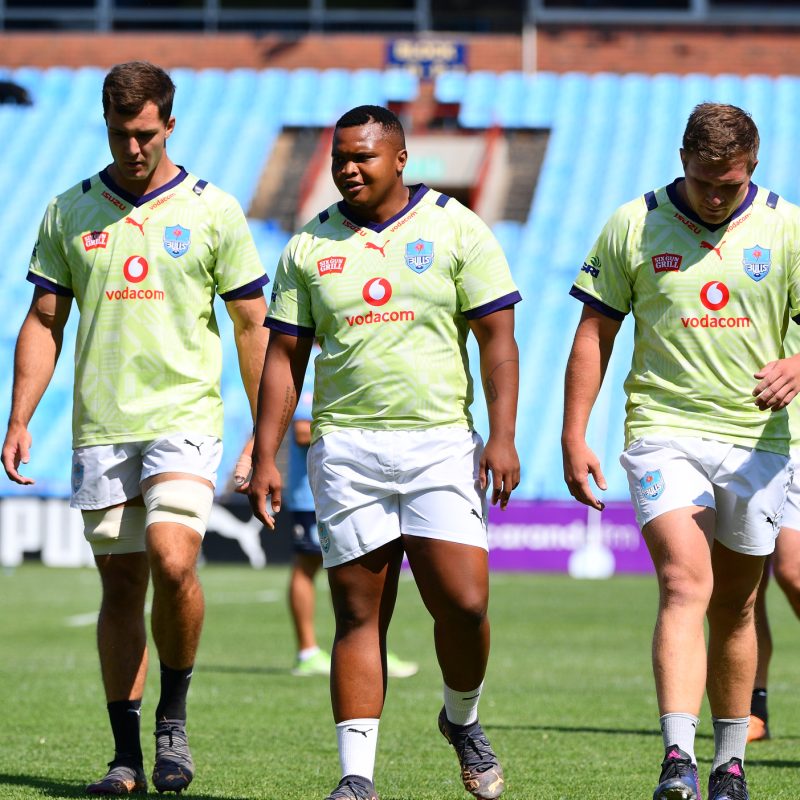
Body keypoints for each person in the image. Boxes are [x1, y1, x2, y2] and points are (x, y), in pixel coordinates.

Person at [1, 61, 269, 796]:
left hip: (185, 417)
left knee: (174, 559)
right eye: (121, 133)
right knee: (121, 587)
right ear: (105, 124)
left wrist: (263, 431)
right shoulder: (69, 211)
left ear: (170, 125)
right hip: (102, 426)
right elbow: (45, 321)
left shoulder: (214, 210)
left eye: (146, 133)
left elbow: (252, 325)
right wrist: (20, 416)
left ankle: (172, 722)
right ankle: (125, 758)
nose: (133, 147)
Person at [248, 105, 521, 800]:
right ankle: (356, 778)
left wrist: (503, 435)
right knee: (360, 613)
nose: (348, 167)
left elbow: (498, 339)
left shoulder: (457, 228)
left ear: (401, 159)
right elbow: (284, 358)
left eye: (363, 156)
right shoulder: (309, 246)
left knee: (463, 605)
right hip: (346, 449)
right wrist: (266, 453)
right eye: (340, 156)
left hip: (438, 443)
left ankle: (462, 719)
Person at [562, 102, 800, 800]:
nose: (716, 195)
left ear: (750, 167)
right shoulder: (632, 224)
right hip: (663, 430)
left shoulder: (787, 228)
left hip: (759, 442)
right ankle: (678, 759)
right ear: (683, 163)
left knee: (737, 606)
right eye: (702, 182)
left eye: (728, 183)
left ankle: (730, 762)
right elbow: (593, 334)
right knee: (684, 583)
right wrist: (576, 434)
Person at [232, 352, 419, 679]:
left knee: (366, 562)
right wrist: (354, 425)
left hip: (353, 488)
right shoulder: (315, 360)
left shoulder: (353, 356)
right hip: (314, 492)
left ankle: (369, 643)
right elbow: (302, 430)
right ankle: (307, 651)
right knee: (307, 566)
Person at [749, 325, 800, 743]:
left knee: (792, 572)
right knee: (742, 587)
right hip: (736, 436)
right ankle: (753, 708)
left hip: (795, 441)